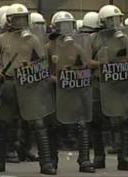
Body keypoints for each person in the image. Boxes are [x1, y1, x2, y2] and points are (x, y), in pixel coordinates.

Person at [0, 3, 56, 175]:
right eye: (16, 18)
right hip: (9, 84)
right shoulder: (1, 39)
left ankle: (46, 162)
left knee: (38, 123)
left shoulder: (33, 39)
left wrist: (32, 67)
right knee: (3, 123)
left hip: (29, 84)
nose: (20, 21)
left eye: (22, 18)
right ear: (9, 20)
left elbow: (42, 62)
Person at [92, 4, 128, 171]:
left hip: (117, 84)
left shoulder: (123, 38)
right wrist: (101, 64)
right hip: (99, 83)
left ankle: (124, 157)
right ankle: (99, 156)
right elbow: (85, 60)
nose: (114, 23)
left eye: (117, 19)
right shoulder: (95, 38)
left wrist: (121, 63)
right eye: (110, 20)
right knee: (97, 121)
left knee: (122, 121)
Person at [47, 10, 95, 173]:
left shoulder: (76, 47)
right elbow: (42, 70)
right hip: (55, 92)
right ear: (55, 27)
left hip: (73, 91)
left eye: (69, 25)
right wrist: (54, 78)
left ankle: (85, 159)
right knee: (53, 126)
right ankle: (51, 160)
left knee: (81, 125)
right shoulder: (49, 47)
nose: (66, 29)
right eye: (63, 26)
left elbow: (86, 65)